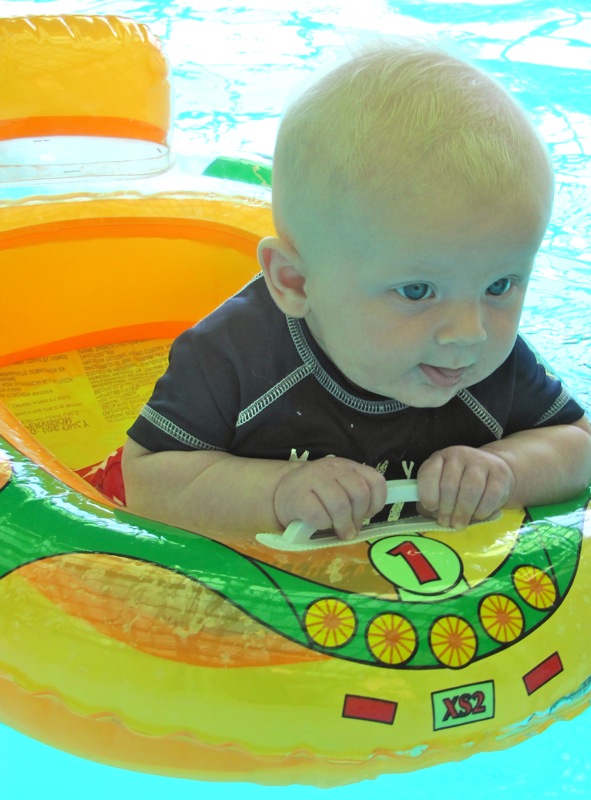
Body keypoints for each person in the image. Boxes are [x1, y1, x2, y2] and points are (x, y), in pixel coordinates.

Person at [120, 40, 591, 539]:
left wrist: (505, 468)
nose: (469, 333)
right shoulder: (233, 358)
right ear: (295, 282)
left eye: (499, 285)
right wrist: (277, 493)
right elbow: (147, 480)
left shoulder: (491, 363)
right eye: (417, 291)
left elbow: (577, 444)